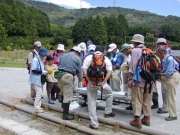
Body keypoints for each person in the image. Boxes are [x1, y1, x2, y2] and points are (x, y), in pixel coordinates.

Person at [82, 46, 115, 130]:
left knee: (92, 101)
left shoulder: (89, 57)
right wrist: (103, 82)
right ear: (102, 52)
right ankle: (108, 112)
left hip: (91, 83)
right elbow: (109, 71)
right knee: (110, 94)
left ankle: (94, 124)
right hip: (101, 82)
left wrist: (89, 81)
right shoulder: (105, 59)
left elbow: (84, 70)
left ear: (95, 51)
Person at [127, 34, 152, 128]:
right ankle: (147, 118)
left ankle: (137, 120)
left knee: (137, 100)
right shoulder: (148, 50)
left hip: (138, 80)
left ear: (135, 42)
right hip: (149, 81)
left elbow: (133, 67)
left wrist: (129, 79)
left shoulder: (135, 51)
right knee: (147, 100)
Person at [55, 46, 82, 120]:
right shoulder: (77, 58)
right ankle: (65, 114)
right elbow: (79, 72)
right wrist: (80, 80)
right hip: (68, 76)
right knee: (68, 95)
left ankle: (63, 106)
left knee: (63, 92)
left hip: (59, 75)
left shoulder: (63, 56)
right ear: (78, 52)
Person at [155, 46, 180, 121]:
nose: (157, 55)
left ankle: (173, 115)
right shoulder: (165, 59)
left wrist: (158, 75)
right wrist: (159, 72)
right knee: (169, 95)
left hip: (173, 77)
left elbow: (168, 73)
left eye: (157, 54)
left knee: (171, 97)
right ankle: (172, 113)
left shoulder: (169, 59)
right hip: (170, 76)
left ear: (161, 53)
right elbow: (165, 69)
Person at [152, 38, 172, 112]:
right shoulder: (166, 49)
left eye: (158, 44)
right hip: (164, 71)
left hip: (166, 72)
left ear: (161, 44)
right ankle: (164, 106)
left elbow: (166, 63)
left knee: (165, 90)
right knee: (163, 90)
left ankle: (165, 107)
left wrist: (162, 72)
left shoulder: (166, 50)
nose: (157, 45)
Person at [29, 48, 48, 113]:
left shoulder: (41, 60)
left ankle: (38, 106)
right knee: (39, 93)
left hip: (39, 78)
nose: (44, 55)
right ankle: (36, 107)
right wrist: (42, 72)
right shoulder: (35, 60)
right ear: (41, 53)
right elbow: (33, 69)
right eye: (43, 54)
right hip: (35, 79)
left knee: (40, 93)